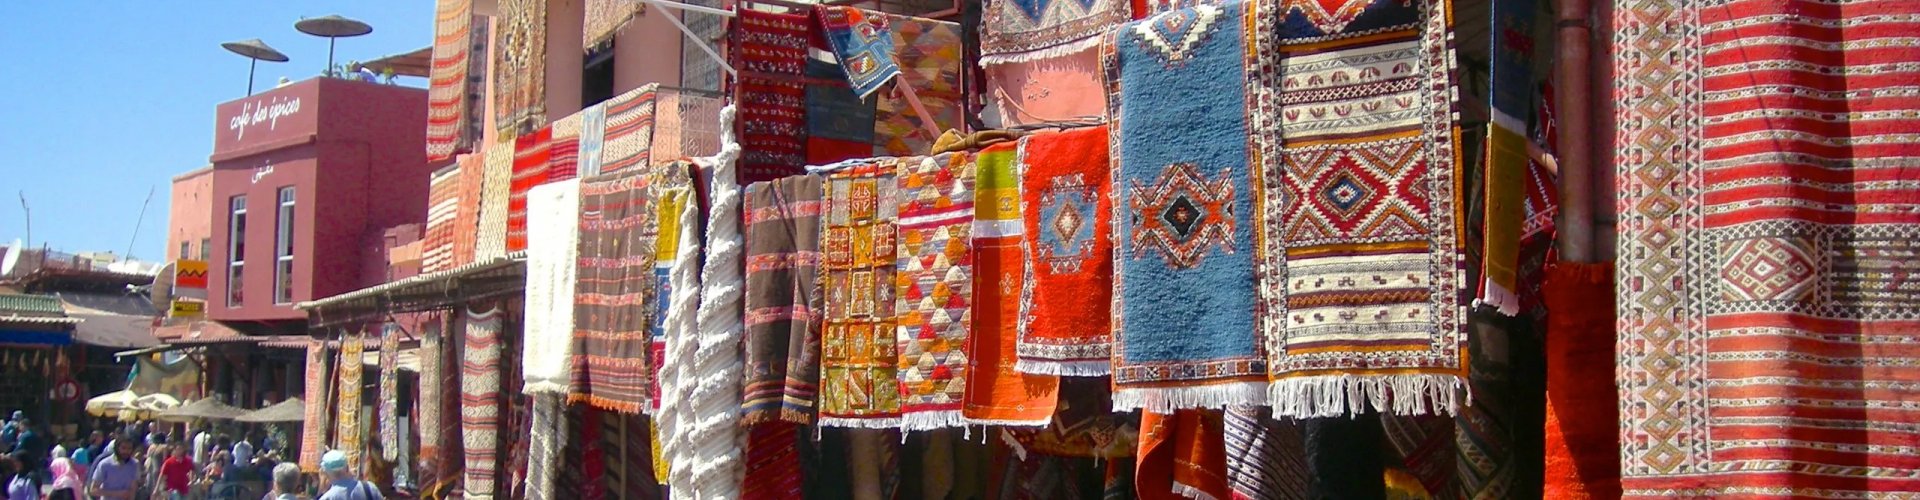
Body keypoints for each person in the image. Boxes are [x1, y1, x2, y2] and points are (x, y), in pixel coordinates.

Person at [315, 451, 380, 500]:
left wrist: (321, 489)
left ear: (325, 473)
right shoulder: (369, 488)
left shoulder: (328, 497)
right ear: (347, 468)